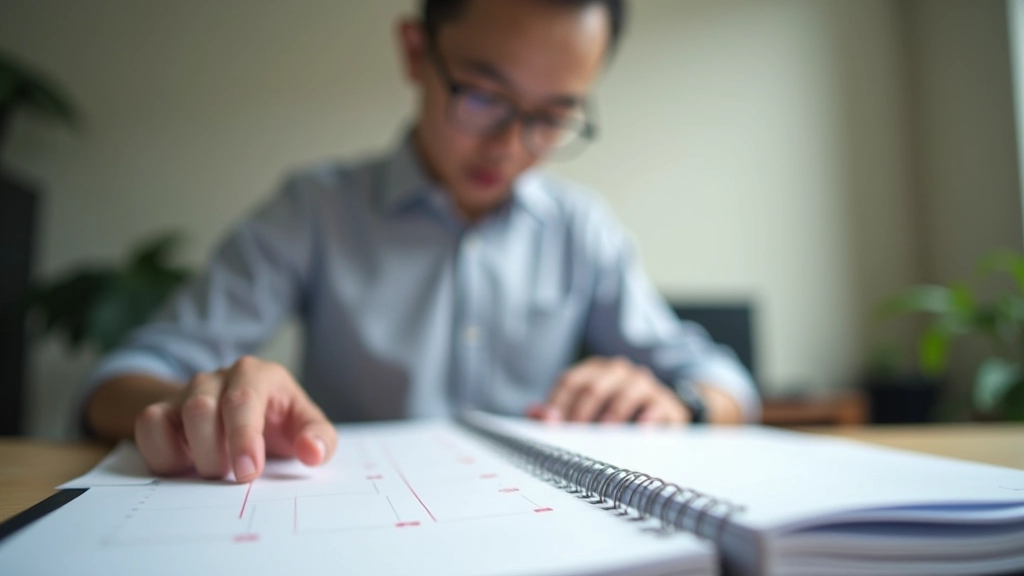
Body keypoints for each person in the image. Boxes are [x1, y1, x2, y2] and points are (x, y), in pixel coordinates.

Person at [79, 0, 760, 484]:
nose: (511, 144)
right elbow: (118, 380)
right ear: (415, 51)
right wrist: (209, 403)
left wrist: (682, 403)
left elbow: (725, 381)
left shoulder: (582, 229)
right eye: (483, 95)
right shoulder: (315, 209)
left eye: (553, 117)